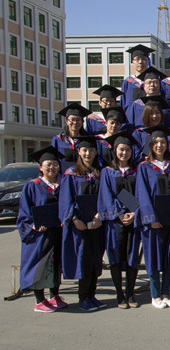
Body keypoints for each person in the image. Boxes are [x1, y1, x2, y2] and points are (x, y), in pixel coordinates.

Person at [17, 147, 66, 313]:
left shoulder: (63, 184)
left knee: (56, 263)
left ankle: (54, 295)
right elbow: (24, 211)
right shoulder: (32, 186)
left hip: (58, 231)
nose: (52, 168)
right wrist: (33, 224)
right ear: (40, 167)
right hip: (41, 234)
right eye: (48, 165)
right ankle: (39, 299)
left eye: (55, 164)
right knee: (41, 264)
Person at [135, 125, 170, 309]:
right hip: (153, 221)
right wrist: (150, 218)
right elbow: (142, 193)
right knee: (153, 258)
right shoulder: (144, 167)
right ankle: (154, 295)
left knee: (169, 258)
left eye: (163, 142)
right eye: (156, 142)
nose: (160, 145)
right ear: (151, 145)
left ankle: (165, 293)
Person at [58, 136, 105, 311]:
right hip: (80, 226)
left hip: (97, 224)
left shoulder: (100, 173)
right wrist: (74, 219)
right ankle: (83, 297)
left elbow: (105, 197)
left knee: (96, 261)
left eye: (91, 150)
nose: (88, 153)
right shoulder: (71, 174)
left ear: (96, 152)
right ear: (79, 152)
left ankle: (92, 295)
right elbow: (66, 199)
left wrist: (99, 216)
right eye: (85, 150)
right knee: (83, 261)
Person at [97, 131, 141, 308]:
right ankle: (119, 294)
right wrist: (120, 213)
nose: (124, 153)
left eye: (128, 150)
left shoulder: (136, 171)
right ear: (115, 151)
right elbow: (106, 195)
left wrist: (135, 213)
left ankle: (130, 293)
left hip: (133, 220)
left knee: (132, 257)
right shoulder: (107, 172)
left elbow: (141, 193)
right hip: (115, 222)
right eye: (121, 150)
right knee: (115, 256)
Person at [121, 44, 155, 109]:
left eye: (144, 59)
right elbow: (123, 104)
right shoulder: (127, 82)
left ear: (148, 61)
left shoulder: (154, 82)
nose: (140, 62)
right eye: (137, 59)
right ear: (133, 62)